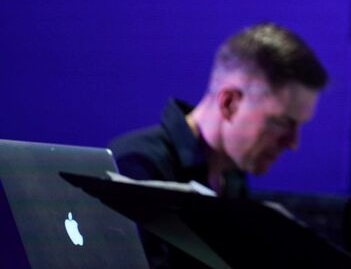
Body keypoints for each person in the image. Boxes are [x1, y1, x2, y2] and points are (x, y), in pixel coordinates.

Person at [109, 22, 327, 266]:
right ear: (230, 103)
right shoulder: (138, 166)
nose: (293, 143)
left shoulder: (232, 176)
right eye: (281, 122)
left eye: (299, 126)